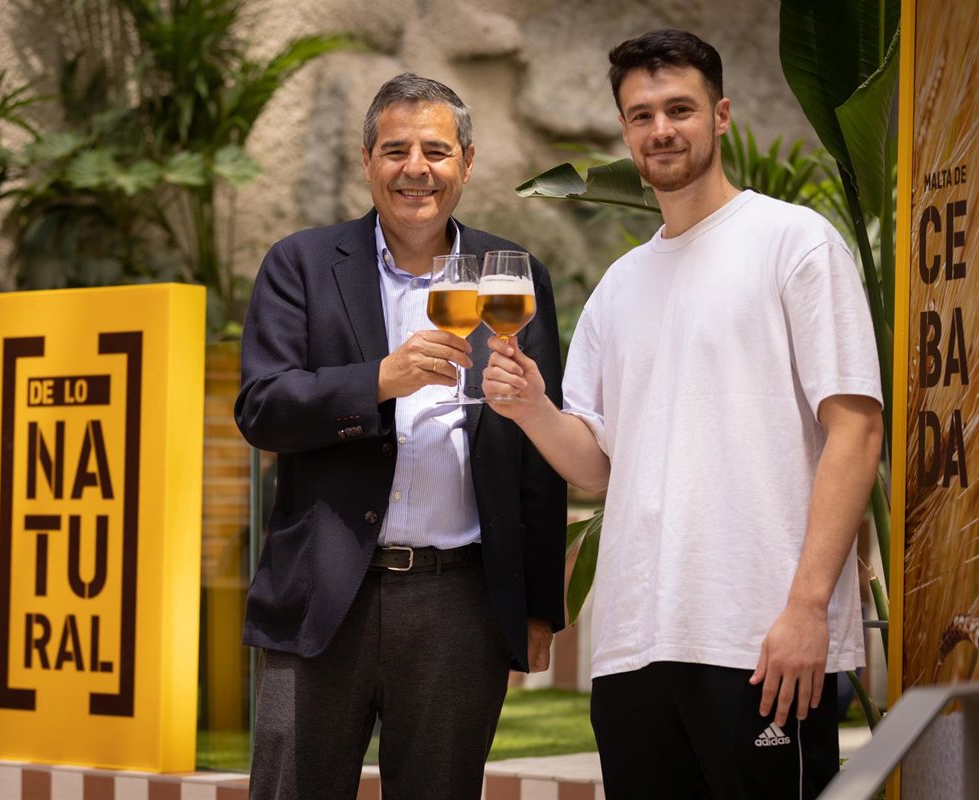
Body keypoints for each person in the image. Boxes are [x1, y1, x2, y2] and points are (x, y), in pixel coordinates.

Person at [482, 29, 884, 799]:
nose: (660, 129)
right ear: (624, 130)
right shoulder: (619, 287)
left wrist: (807, 608)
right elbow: (598, 468)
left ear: (721, 115)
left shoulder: (795, 244)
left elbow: (857, 429)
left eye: (679, 109)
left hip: (763, 639)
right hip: (634, 646)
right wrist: (532, 409)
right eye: (641, 115)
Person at [235, 73, 566, 799]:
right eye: (395, 150)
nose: (416, 168)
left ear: (467, 163)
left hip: (459, 602)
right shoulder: (301, 264)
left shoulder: (510, 276)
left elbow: (536, 455)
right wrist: (378, 381)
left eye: (436, 151)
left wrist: (540, 604)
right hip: (323, 593)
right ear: (367, 162)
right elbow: (262, 408)